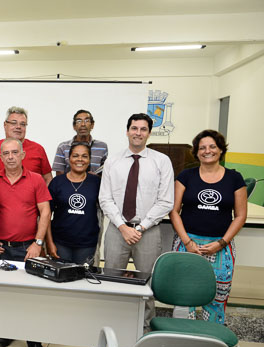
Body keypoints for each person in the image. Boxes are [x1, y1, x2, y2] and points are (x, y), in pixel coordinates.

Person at [99, 113, 174, 326]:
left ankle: (145, 328)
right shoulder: (113, 161)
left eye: (143, 129)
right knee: (111, 280)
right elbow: (105, 198)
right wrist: (123, 227)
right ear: (127, 131)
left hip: (148, 231)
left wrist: (140, 227)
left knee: (147, 283)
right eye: (134, 128)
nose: (138, 133)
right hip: (117, 230)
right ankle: (111, 325)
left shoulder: (162, 162)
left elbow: (166, 201)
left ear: (149, 133)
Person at [169, 129, 247, 324]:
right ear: (196, 152)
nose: (207, 151)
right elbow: (174, 211)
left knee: (216, 297)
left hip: (220, 247)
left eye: (212, 146)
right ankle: (181, 338)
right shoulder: (186, 176)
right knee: (183, 296)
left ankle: (211, 342)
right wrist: (187, 242)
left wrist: (221, 242)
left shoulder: (234, 178)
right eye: (202, 148)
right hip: (187, 244)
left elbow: (240, 215)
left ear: (221, 149)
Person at [0, 137, 52, 347]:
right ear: (1, 157)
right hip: (1, 250)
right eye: (6, 153)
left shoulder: (35, 179)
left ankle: (34, 340)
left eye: (14, 152)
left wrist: (38, 243)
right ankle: (8, 332)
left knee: (31, 297)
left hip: (29, 248)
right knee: (6, 295)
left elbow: (45, 212)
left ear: (23, 155)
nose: (10, 157)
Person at [46, 143, 101, 265]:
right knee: (60, 281)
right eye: (75, 155)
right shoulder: (57, 183)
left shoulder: (96, 182)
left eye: (84, 156)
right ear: (69, 158)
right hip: (60, 243)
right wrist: (49, 243)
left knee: (82, 281)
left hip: (86, 244)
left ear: (89, 159)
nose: (80, 159)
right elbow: (46, 215)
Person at [0, 106, 53, 184]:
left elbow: (48, 179)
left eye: (23, 124)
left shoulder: (38, 149)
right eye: (13, 123)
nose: (18, 127)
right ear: (5, 125)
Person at [53, 110, 108, 175]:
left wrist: (94, 178)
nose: (83, 124)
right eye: (79, 121)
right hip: (70, 184)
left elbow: (105, 174)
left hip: (94, 184)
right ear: (74, 126)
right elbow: (59, 176)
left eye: (87, 121)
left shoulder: (102, 147)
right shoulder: (63, 147)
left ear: (92, 125)